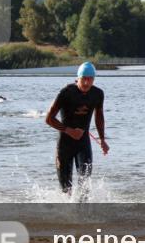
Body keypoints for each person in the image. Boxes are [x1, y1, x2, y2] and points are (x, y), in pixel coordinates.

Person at [45, 61, 108, 197]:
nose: (86, 83)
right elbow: (49, 119)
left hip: (83, 143)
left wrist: (102, 140)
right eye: (83, 79)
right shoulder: (66, 92)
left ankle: (82, 215)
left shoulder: (97, 94)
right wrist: (69, 131)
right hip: (64, 144)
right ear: (78, 78)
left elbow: (99, 117)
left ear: (94, 79)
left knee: (85, 185)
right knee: (66, 190)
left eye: (90, 79)